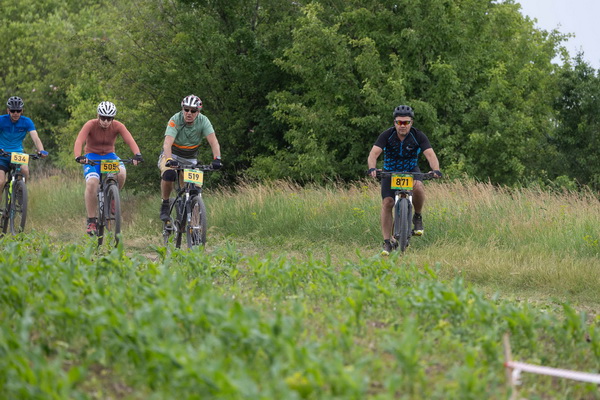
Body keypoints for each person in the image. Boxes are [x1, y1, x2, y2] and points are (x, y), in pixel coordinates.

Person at [367, 104, 442, 255]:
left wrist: (435, 169)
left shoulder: (418, 135)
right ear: (394, 123)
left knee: (418, 187)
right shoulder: (386, 135)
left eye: (406, 122)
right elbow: (373, 154)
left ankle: (417, 216)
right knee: (387, 203)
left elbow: (430, 154)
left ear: (411, 122)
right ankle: (387, 242)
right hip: (390, 171)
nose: (402, 125)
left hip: (410, 170)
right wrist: (372, 168)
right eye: (399, 122)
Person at [73, 101, 143, 235]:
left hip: (109, 157)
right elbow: (79, 140)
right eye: (103, 118)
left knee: (121, 173)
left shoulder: (118, 126)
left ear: (113, 118)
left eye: (109, 118)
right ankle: (91, 220)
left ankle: (112, 198)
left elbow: (129, 140)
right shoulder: (90, 124)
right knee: (92, 183)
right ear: (98, 116)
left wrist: (137, 154)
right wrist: (78, 156)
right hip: (92, 157)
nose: (106, 121)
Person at [158, 94, 222, 221]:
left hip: (190, 159)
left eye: (193, 111)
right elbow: (167, 143)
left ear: (198, 112)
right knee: (169, 174)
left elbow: (213, 141)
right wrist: (169, 159)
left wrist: (217, 159)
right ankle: (165, 204)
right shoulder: (175, 120)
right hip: (171, 155)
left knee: (195, 189)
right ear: (182, 109)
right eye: (186, 109)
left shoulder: (204, 121)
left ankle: (195, 222)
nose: (189, 113)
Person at [0, 96, 49, 187]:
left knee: (25, 170)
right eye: (13, 111)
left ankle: (21, 191)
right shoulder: (1, 120)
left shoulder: (27, 121)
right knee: (0, 182)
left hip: (17, 153)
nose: (15, 113)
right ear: (8, 111)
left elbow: (35, 138)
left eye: (18, 111)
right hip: (1, 154)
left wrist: (41, 150)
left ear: (22, 111)